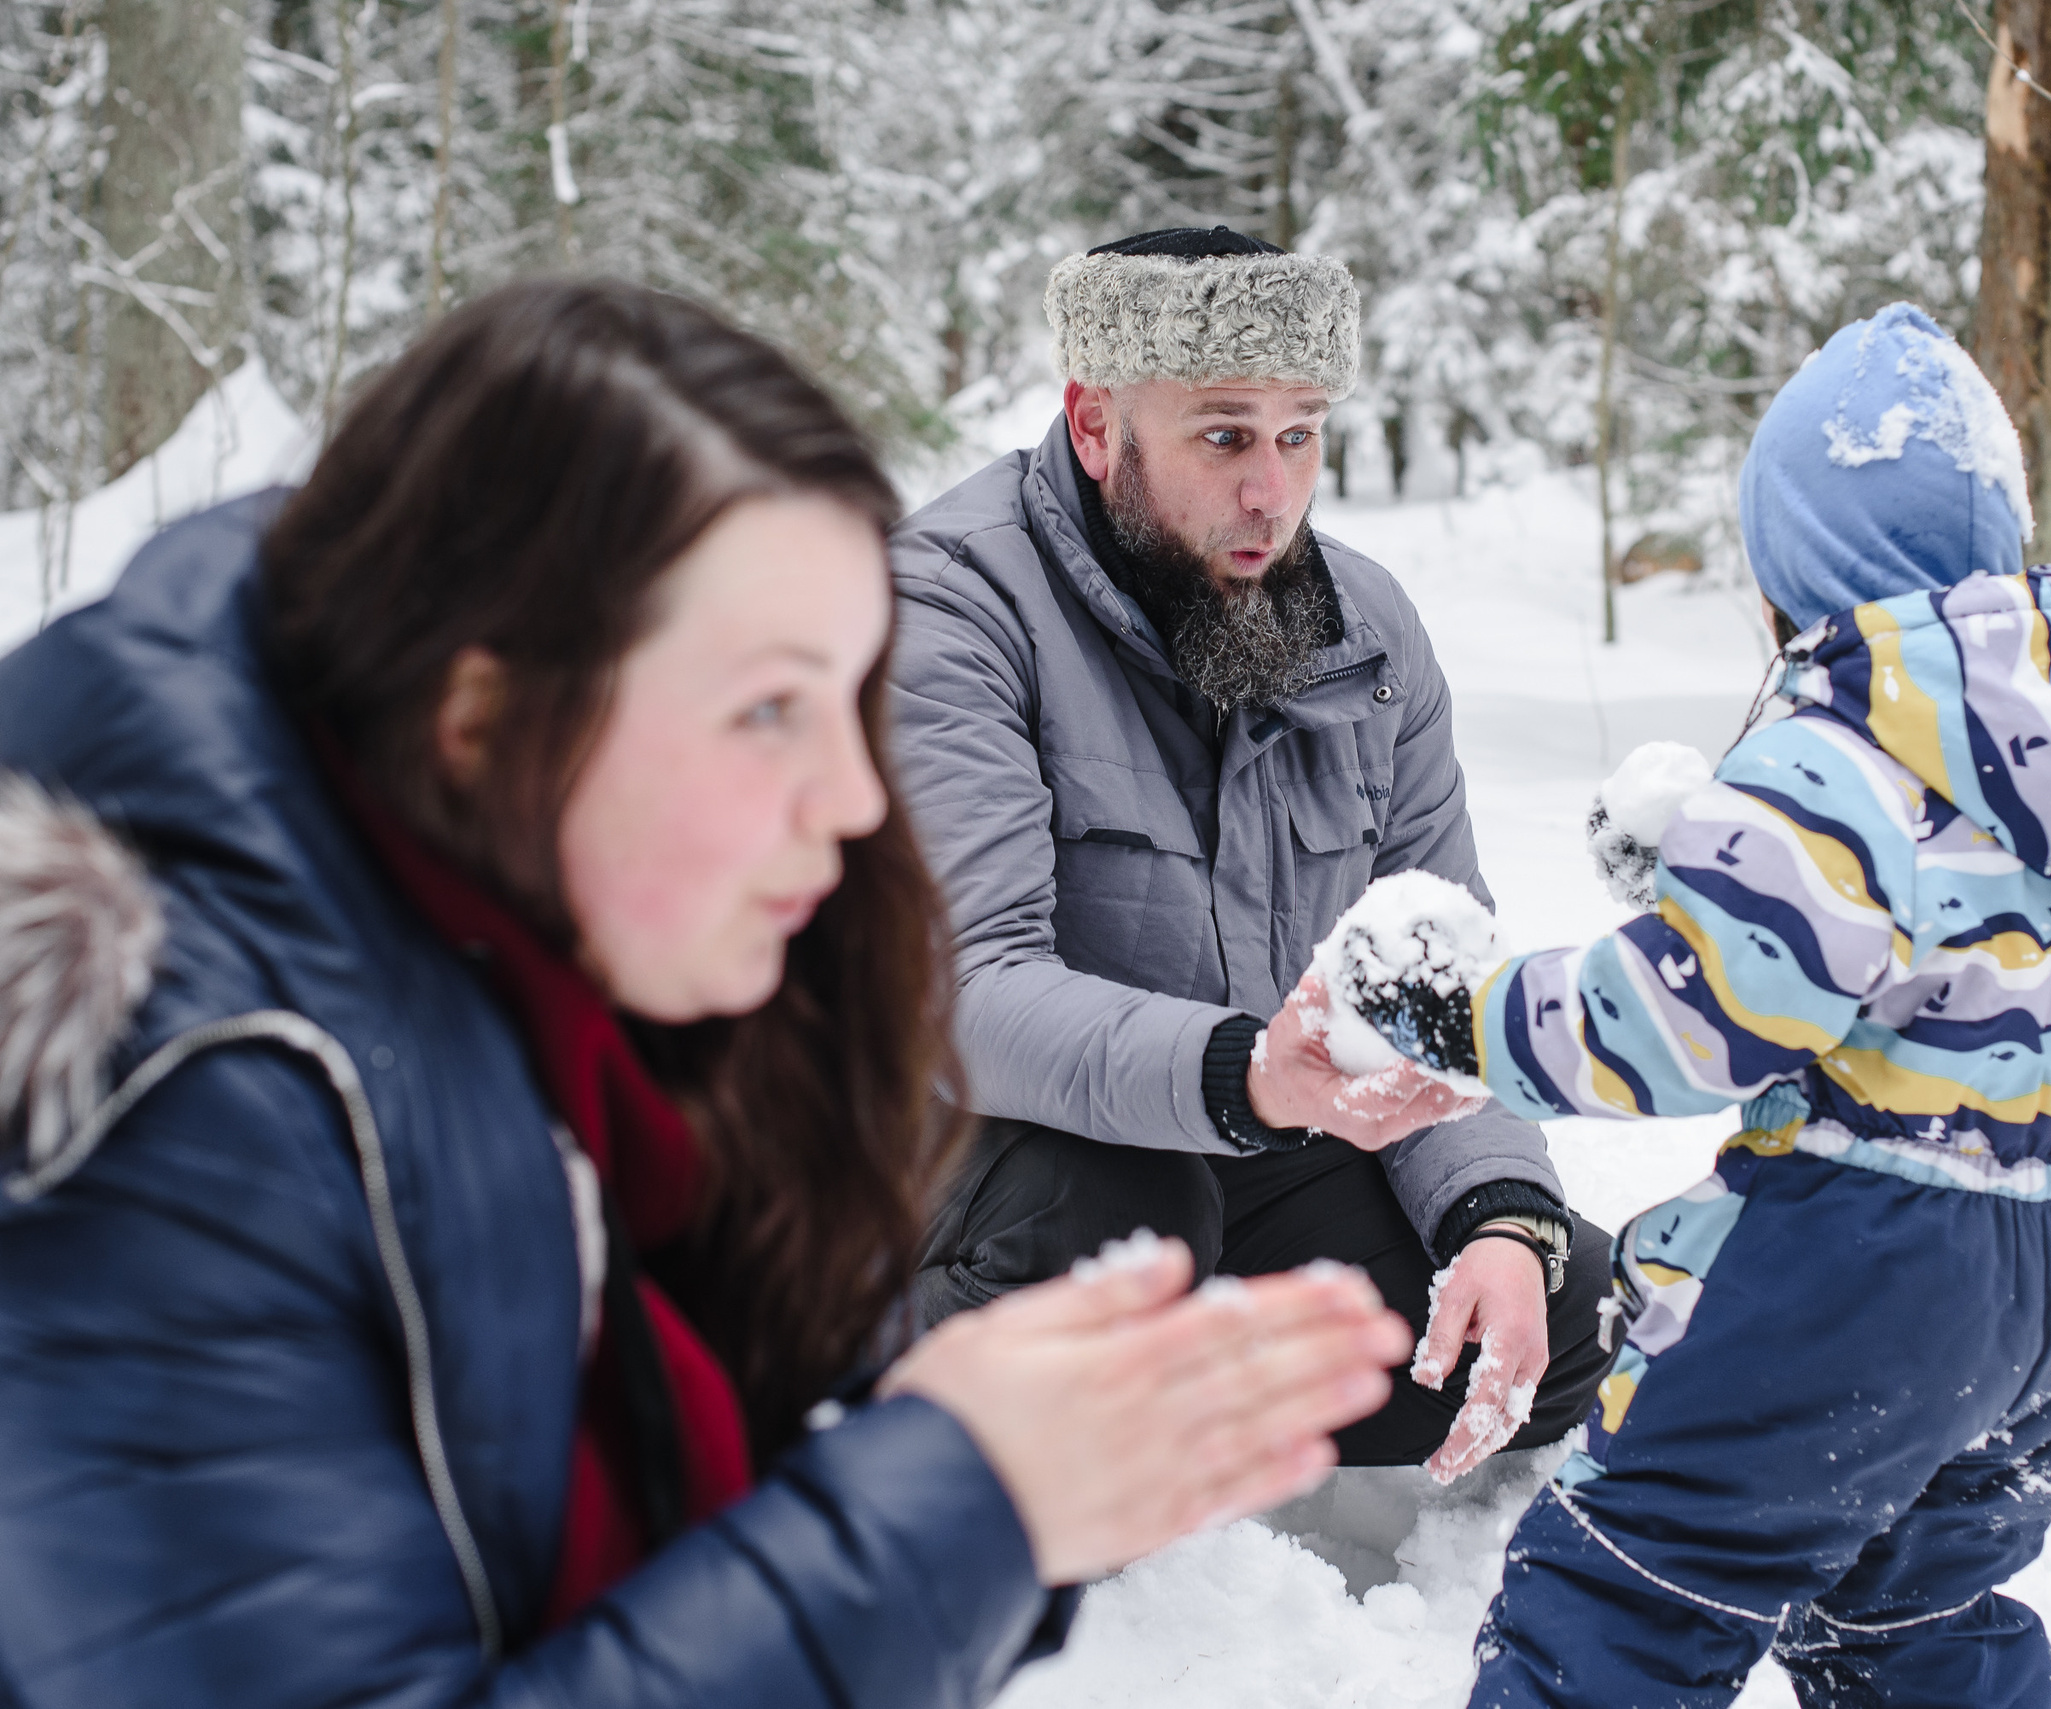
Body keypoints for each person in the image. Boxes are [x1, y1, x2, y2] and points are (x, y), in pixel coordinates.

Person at [0, 277, 1412, 1705]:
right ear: (484, 716)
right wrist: (951, 1506)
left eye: (850, 697)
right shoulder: (185, 1120)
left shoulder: (627, 977)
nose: (859, 801)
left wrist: (980, 1468)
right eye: (765, 710)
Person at [1331, 303, 2051, 1704]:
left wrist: (1462, 1016)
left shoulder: (1835, 744)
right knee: (1908, 1620)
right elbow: (1954, 950)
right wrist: (1702, 874)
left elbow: (1692, 1027)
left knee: (1624, 1588)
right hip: (2050, 1267)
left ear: (1798, 569)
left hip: (1860, 1268)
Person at [887, 225, 1613, 1482]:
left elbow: (1437, 985)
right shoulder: (951, 609)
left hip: (1232, 1138)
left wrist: (1499, 1212)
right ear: (1097, 422)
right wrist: (1249, 1076)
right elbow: (964, 997)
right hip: (947, 1153)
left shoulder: (1368, 634)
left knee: (1572, 1308)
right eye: (1223, 435)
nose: (1271, 492)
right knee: (1117, 1218)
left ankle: (1156, 1403)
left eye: (1300, 433)